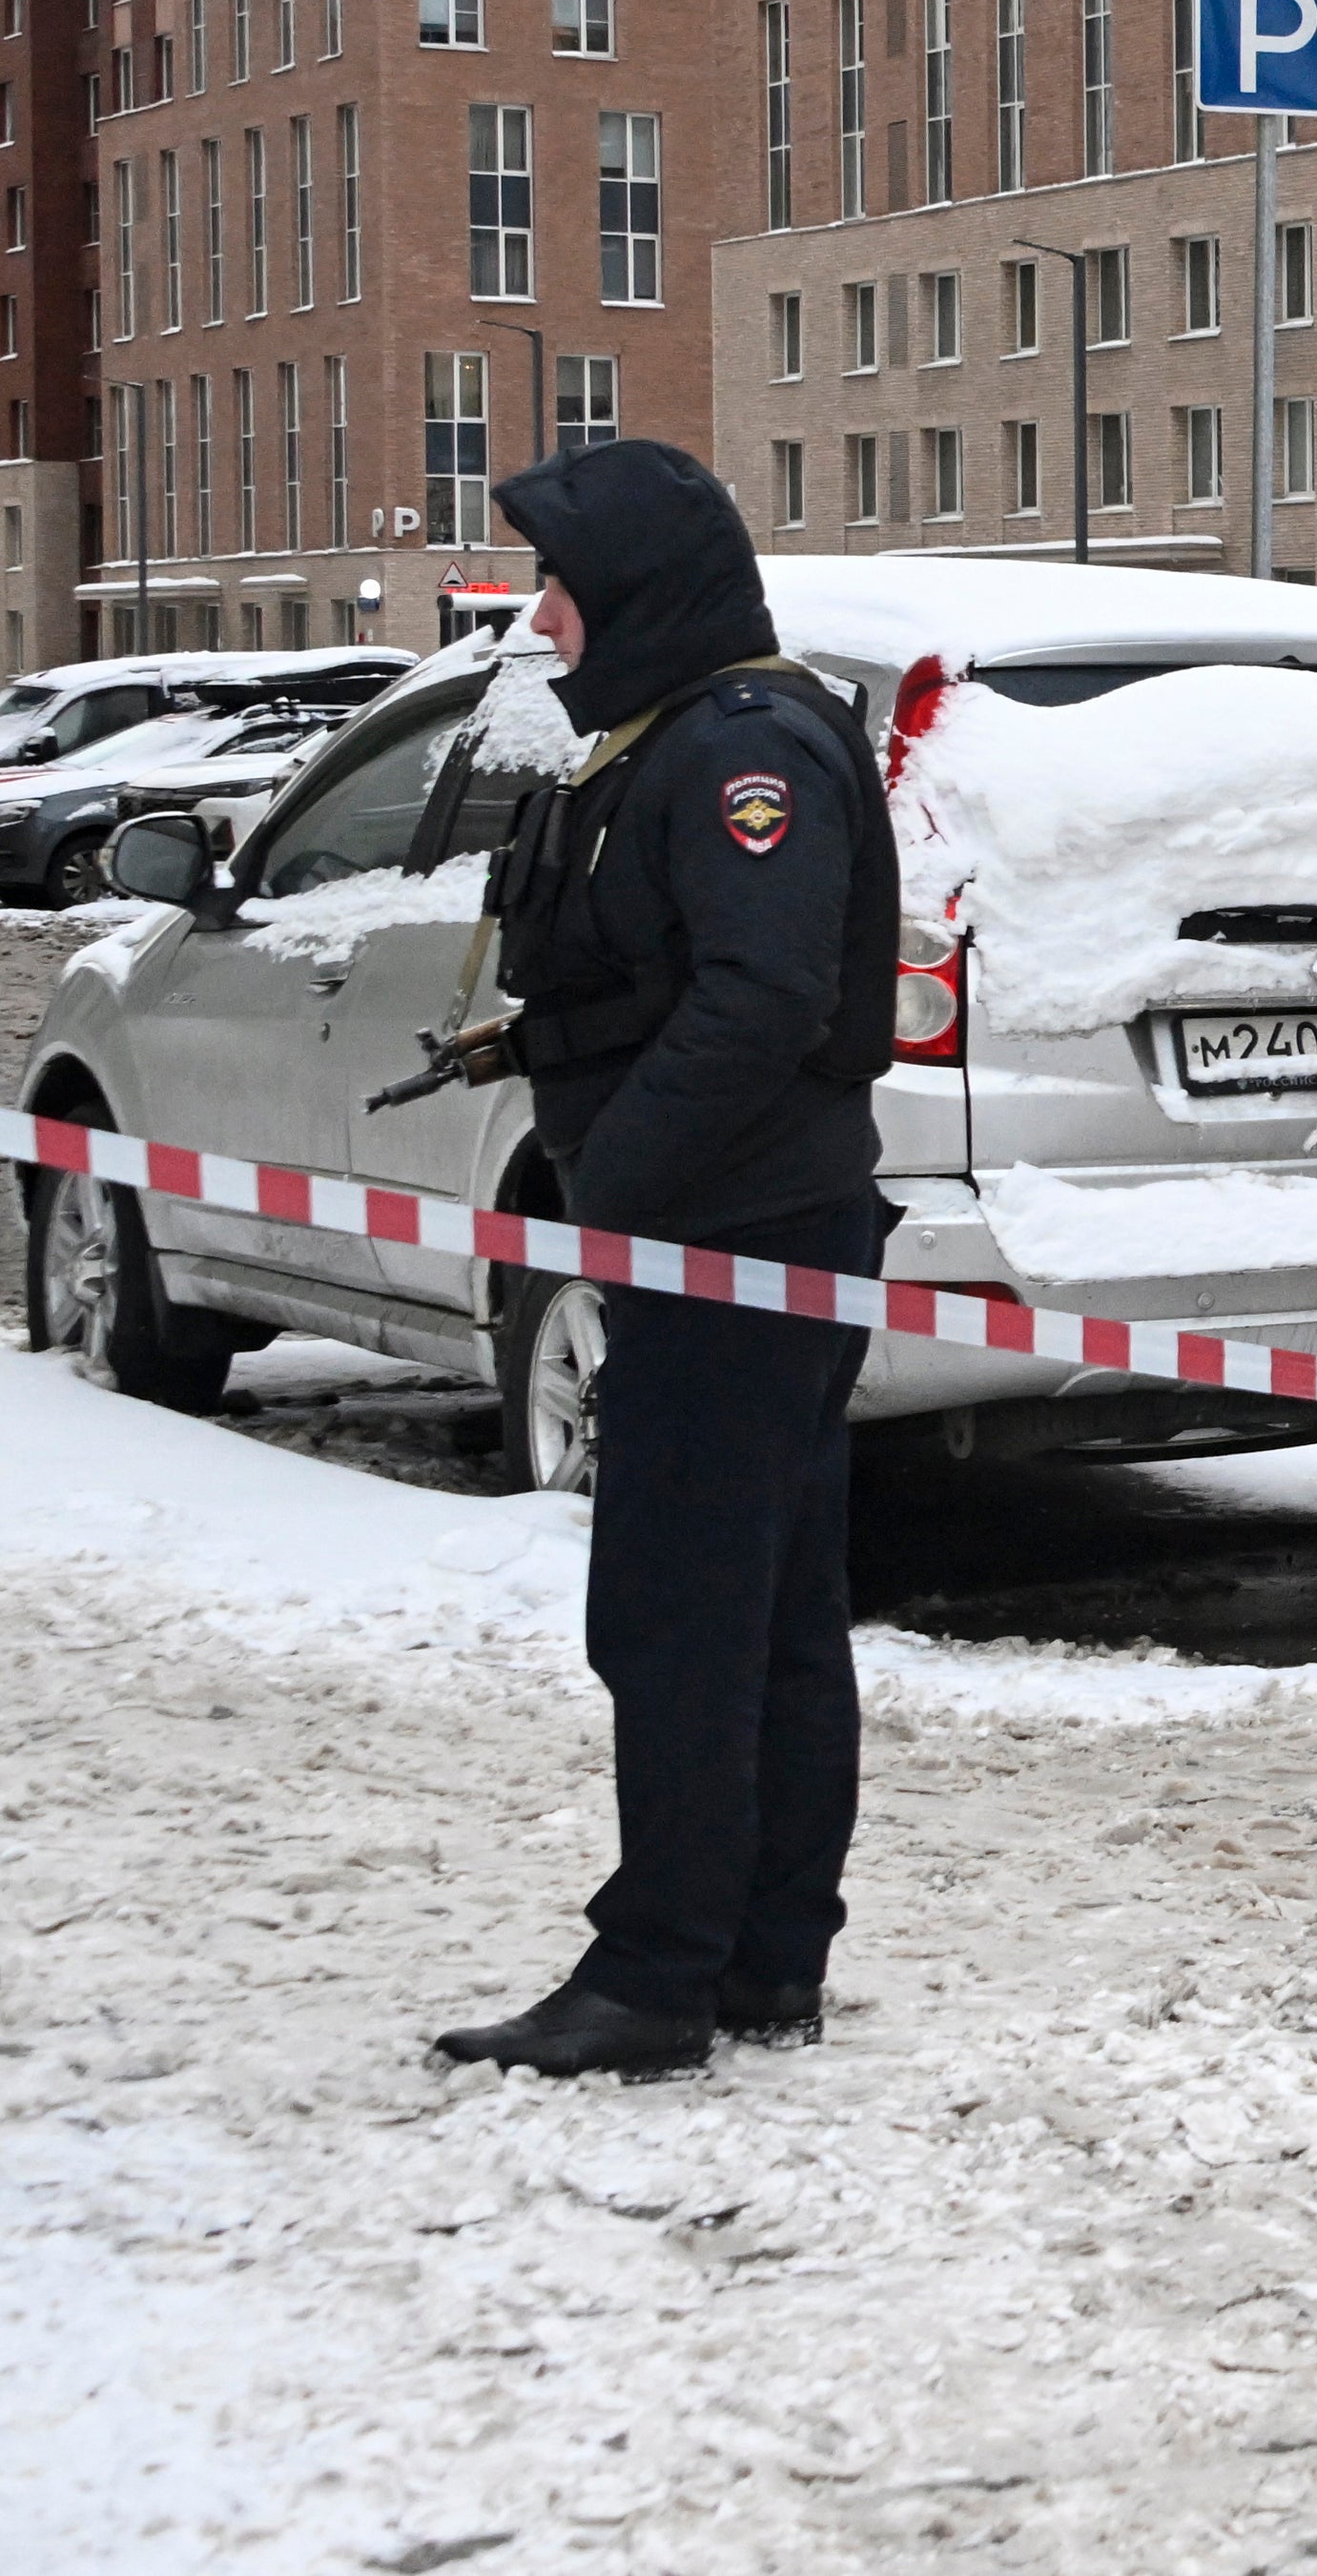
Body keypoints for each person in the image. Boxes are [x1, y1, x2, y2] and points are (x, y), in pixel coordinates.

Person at [429, 439, 900, 2084]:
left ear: (630, 588)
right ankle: (761, 1959)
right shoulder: (687, 734)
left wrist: (608, 1184)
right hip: (747, 1228)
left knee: (682, 1615)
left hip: (738, 1236)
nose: (537, 614)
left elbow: (764, 999)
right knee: (761, 1611)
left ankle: (656, 1979)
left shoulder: (741, 748)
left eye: (556, 581)